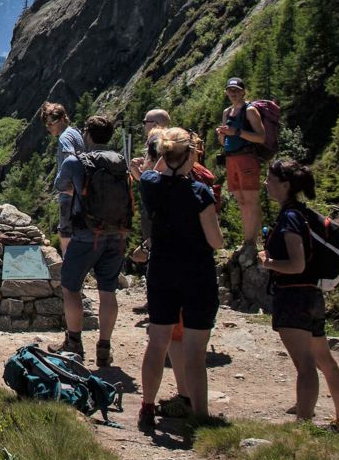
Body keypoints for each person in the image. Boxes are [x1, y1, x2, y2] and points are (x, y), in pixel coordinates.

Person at [134, 128, 225, 433]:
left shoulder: (149, 185)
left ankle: (147, 407)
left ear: (162, 154)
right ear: (189, 155)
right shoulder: (200, 194)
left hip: (161, 269)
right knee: (195, 351)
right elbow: (216, 241)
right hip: (196, 273)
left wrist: (165, 159)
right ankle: (200, 414)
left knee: (157, 341)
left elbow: (153, 171)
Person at [258, 156, 339, 431]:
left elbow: (296, 264)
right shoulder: (304, 213)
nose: (266, 184)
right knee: (325, 360)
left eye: (270, 180)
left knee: (305, 365)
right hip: (313, 295)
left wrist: (268, 263)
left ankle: (304, 426)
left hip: (292, 296)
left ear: (285, 185)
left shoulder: (289, 219)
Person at [57, 113, 128, 367]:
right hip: (117, 234)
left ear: (86, 134)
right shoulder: (121, 161)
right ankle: (104, 347)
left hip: (87, 235)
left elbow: (61, 186)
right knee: (107, 291)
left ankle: (74, 342)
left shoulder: (77, 162)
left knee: (71, 287)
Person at [217, 78, 268, 248]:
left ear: (243, 92)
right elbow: (224, 139)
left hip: (247, 158)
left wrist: (236, 131)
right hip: (231, 159)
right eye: (230, 90)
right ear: (226, 92)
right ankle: (249, 238)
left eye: (237, 90)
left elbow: (260, 137)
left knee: (251, 199)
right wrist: (223, 135)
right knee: (241, 200)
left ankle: (254, 241)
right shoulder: (227, 112)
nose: (233, 93)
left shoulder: (250, 110)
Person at [41, 102, 85, 246]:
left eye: (50, 124)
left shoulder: (64, 137)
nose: (48, 128)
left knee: (66, 232)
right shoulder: (76, 132)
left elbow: (70, 160)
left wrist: (68, 187)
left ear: (61, 119)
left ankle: (67, 264)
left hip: (68, 195)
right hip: (80, 193)